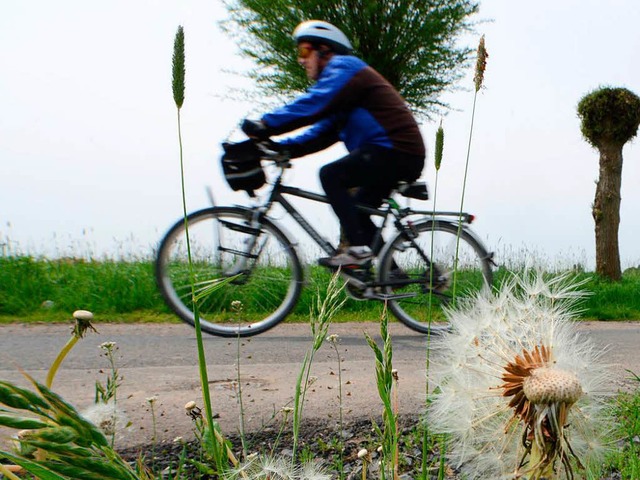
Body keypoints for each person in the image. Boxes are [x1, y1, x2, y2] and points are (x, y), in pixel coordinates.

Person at [242, 20, 425, 268]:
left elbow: (315, 104)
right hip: (395, 154)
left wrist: (266, 124)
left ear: (324, 50)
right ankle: (390, 273)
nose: (301, 60)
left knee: (331, 175)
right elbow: (321, 133)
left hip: (394, 151)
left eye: (305, 51)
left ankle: (358, 251)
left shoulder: (345, 67)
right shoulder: (345, 93)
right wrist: (282, 147)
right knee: (358, 210)